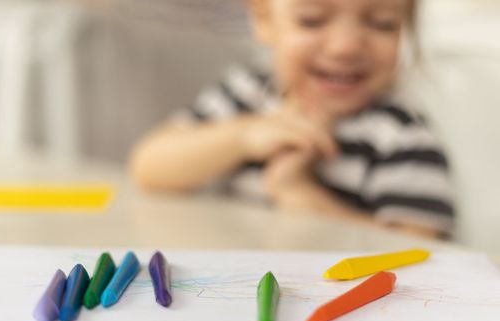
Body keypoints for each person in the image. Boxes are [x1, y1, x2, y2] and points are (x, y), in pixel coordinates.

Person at [130, 0, 455, 239]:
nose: (346, 47)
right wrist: (242, 137)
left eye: (382, 23)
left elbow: (424, 254)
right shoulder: (249, 95)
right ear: (264, 20)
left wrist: (302, 196)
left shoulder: (402, 136)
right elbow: (148, 167)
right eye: (312, 20)